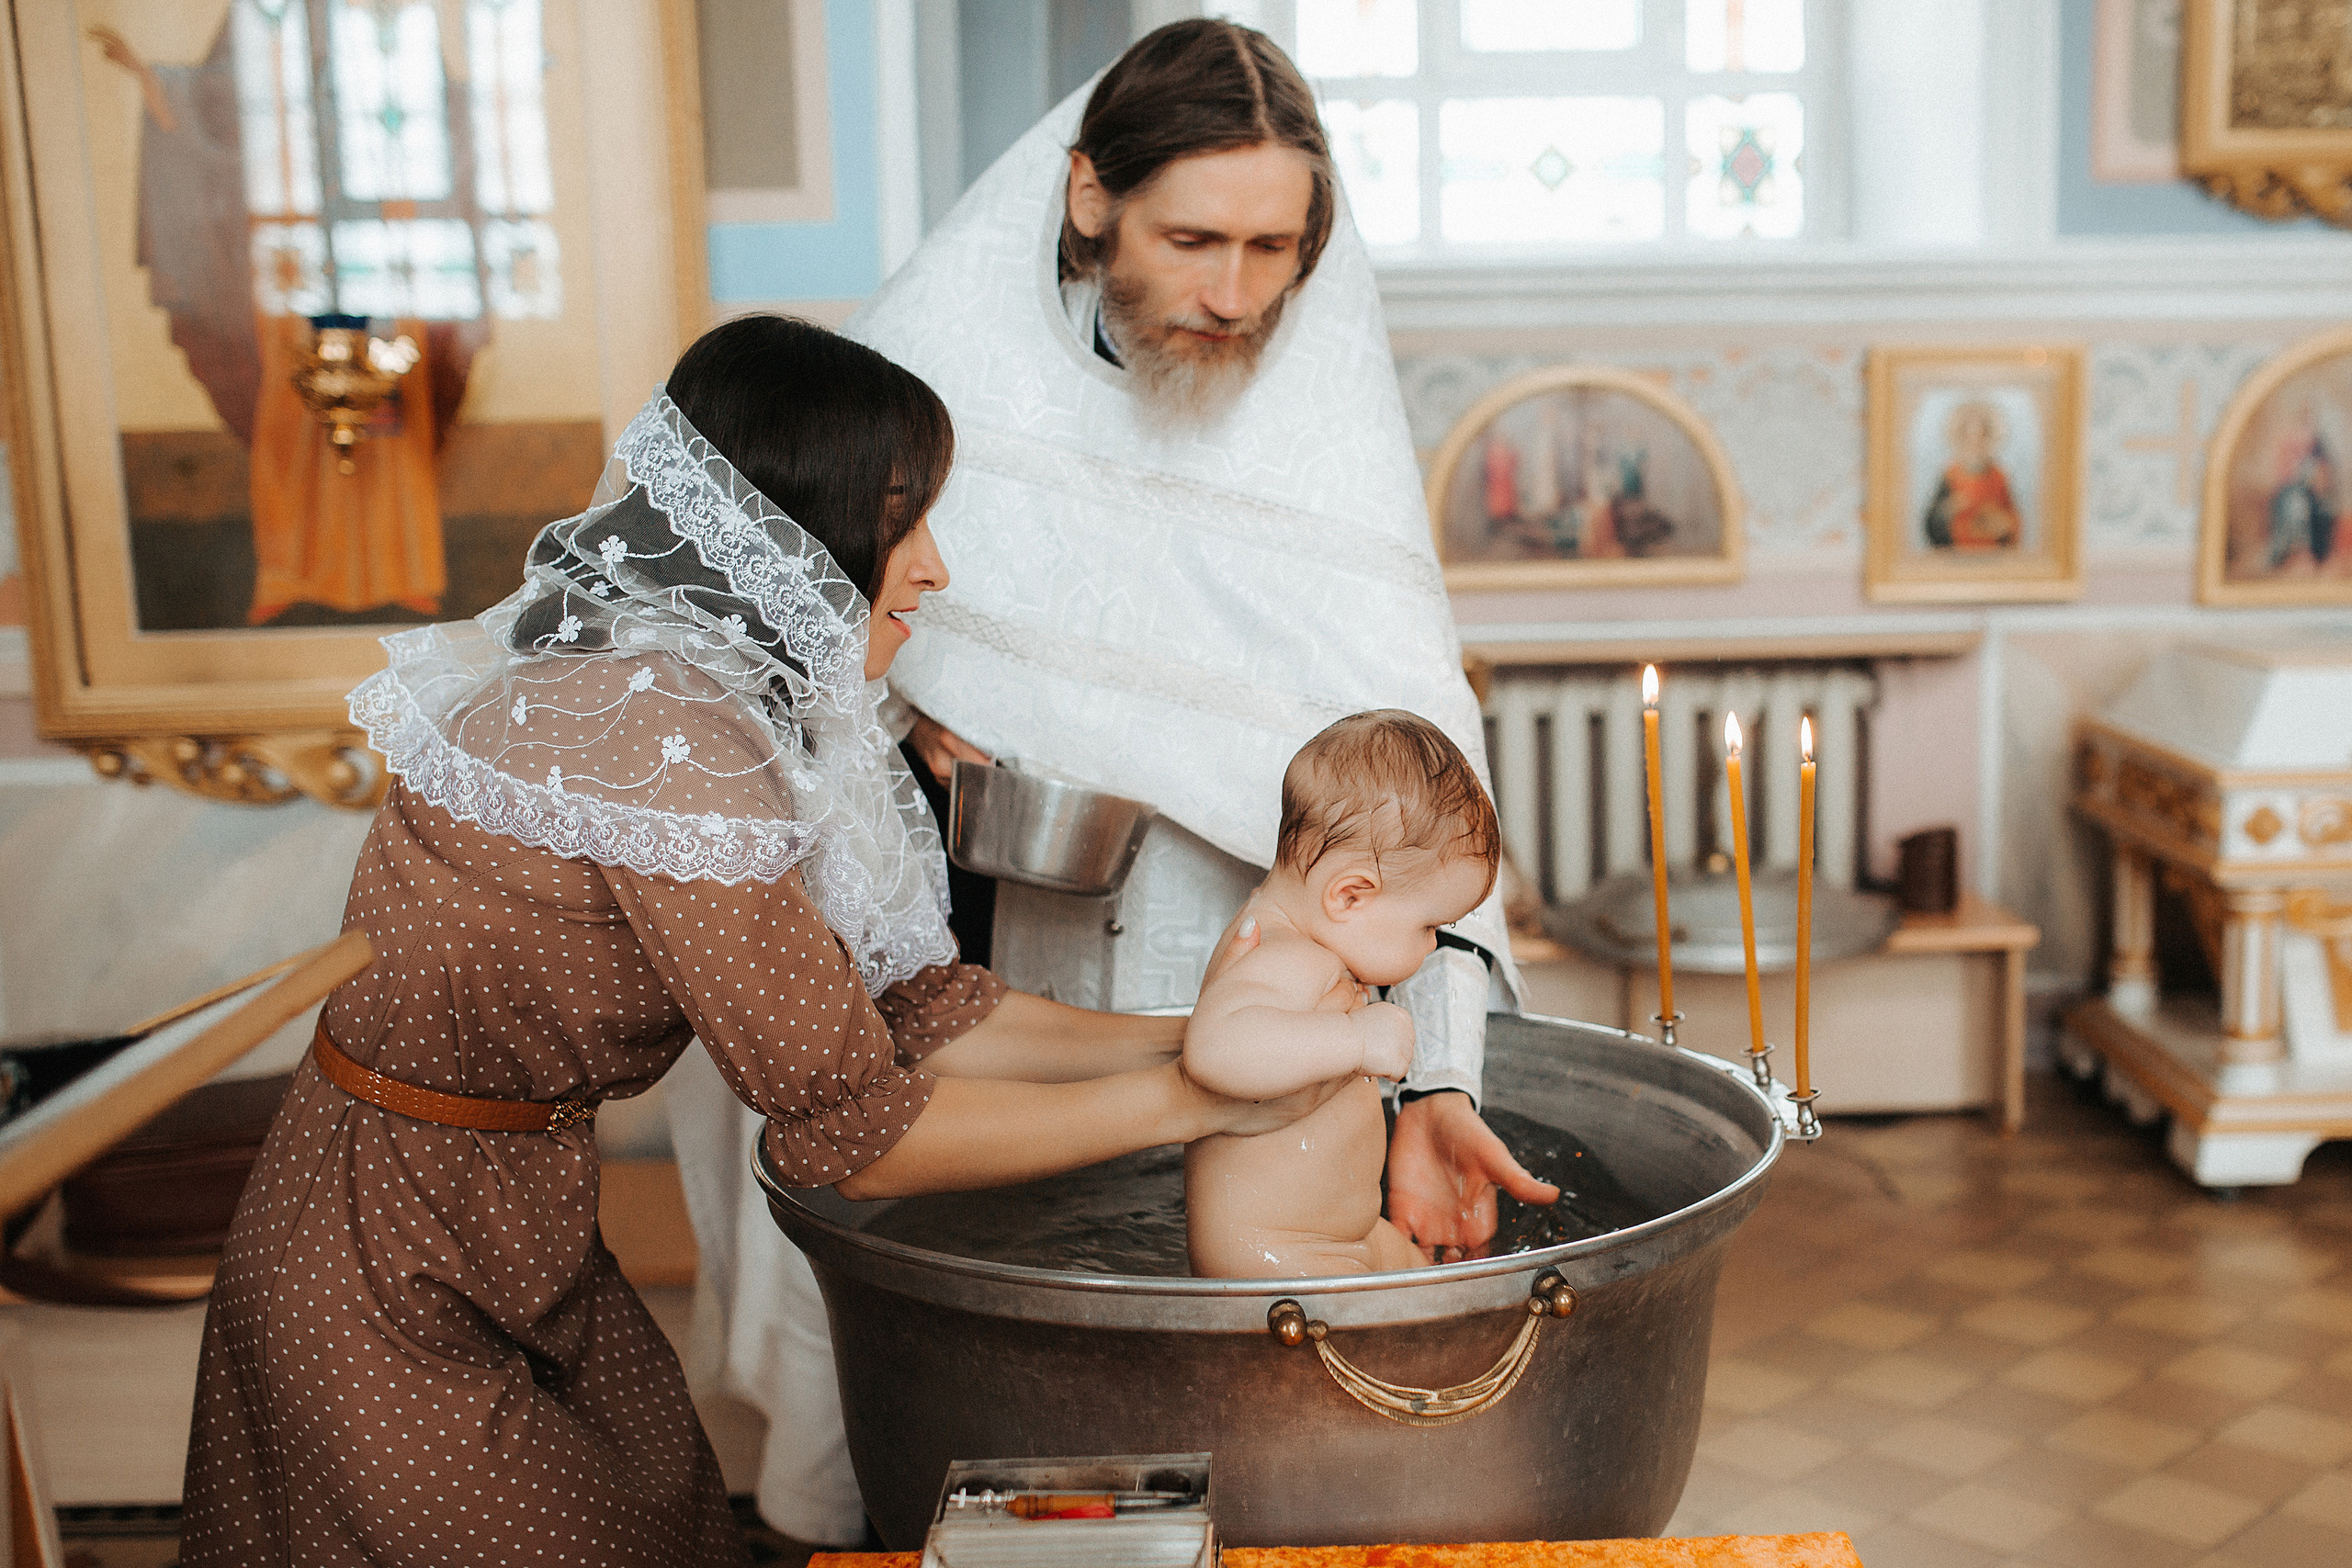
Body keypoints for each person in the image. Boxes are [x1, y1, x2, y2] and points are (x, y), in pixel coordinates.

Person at [178, 316, 1333, 1567]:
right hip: (379, 1259)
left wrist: (1205, 1038)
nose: (934, 570)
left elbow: (916, 1014)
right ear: (790, 528)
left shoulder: (693, 694)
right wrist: (1202, 1101)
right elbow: (861, 1134)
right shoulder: (665, 736)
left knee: (660, 1522)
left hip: (504, 1220)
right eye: (902, 521)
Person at [677, 23, 1556, 1540]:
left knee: (1252, 1427)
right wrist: (904, 702)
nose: (1235, 292)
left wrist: (1438, 1080)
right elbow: (768, 643)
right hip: (993, 935)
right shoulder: (933, 370)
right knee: (989, 1392)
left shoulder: (1319, 426)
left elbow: (1421, 796)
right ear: (1091, 198)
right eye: (1193, 240)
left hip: (1242, 955)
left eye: (1274, 248)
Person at [1184, 712, 1502, 1279]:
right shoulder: (1285, 955)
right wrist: (1357, 1039)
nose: (1433, 945)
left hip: (1337, 1234)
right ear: (1350, 896)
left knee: (1431, 1284)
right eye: (1429, 926)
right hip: (1274, 1253)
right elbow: (1214, 1048)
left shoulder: (1307, 945)